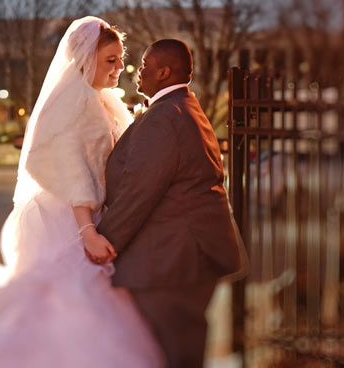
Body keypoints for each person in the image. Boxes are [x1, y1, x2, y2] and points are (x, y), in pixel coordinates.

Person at [0, 16, 164, 368]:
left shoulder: (101, 99)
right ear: (86, 59)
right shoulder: (74, 101)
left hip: (93, 216)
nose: (120, 68)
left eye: (120, 59)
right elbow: (73, 171)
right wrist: (87, 231)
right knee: (66, 301)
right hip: (68, 219)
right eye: (111, 60)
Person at [91, 39, 247, 368]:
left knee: (174, 353)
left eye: (145, 66)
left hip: (172, 262)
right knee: (180, 350)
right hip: (184, 258)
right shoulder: (182, 106)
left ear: (163, 72)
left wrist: (101, 243)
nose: (137, 72)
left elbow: (138, 194)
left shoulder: (165, 118)